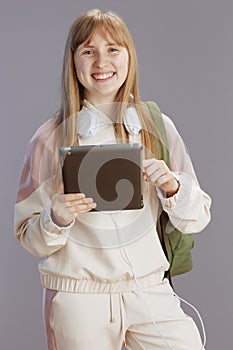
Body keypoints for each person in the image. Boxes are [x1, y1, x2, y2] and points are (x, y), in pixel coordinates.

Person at [14, 8, 211, 350]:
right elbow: (29, 237)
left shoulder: (156, 127)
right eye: (88, 50)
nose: (101, 61)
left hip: (149, 289)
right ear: (73, 61)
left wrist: (172, 187)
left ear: (129, 56)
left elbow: (199, 217)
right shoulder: (51, 138)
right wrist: (56, 217)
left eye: (113, 49)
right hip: (79, 295)